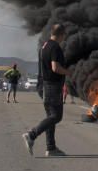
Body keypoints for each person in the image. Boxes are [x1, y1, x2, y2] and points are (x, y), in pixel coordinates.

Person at [22, 23, 69, 157]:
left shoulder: (44, 46)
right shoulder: (55, 47)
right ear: (61, 34)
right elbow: (55, 68)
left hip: (43, 85)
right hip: (52, 86)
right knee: (56, 116)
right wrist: (68, 72)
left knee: (51, 117)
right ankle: (32, 135)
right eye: (64, 35)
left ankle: (51, 147)